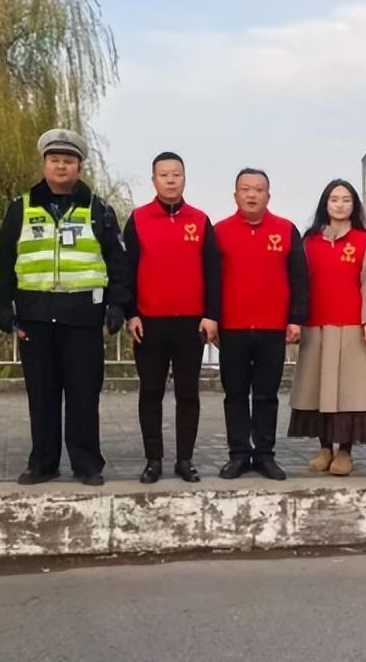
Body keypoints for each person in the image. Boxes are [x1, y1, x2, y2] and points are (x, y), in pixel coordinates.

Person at [0, 128, 130, 487]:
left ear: (79, 167)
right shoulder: (21, 208)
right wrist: (2, 306)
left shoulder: (99, 210)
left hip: (83, 318)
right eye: (54, 160)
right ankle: (43, 463)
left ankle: (87, 464)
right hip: (35, 317)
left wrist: (118, 305)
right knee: (42, 395)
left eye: (68, 161)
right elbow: (3, 260)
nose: (61, 166)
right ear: (44, 165)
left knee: (83, 395)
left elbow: (118, 262)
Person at [123, 152, 221, 484]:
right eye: (163, 174)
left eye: (176, 174)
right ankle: (153, 460)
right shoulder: (138, 219)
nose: (170, 179)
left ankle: (185, 460)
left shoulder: (200, 220)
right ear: (154, 180)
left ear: (184, 179)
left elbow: (213, 272)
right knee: (150, 392)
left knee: (188, 394)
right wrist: (131, 313)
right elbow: (126, 270)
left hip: (190, 323)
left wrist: (211, 315)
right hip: (149, 322)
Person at [214, 168, 308, 480]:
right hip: (232, 328)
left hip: (272, 328)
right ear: (235, 195)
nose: (252, 195)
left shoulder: (286, 230)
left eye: (258, 189)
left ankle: (265, 454)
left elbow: (299, 278)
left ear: (268, 195)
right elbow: (210, 280)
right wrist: (212, 318)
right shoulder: (220, 231)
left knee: (267, 395)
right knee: (235, 394)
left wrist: (296, 319)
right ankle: (239, 454)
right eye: (246, 189)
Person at [288, 180, 366, 477]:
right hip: (315, 326)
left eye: (346, 199)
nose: (340, 205)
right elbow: (298, 282)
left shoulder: (364, 241)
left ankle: (344, 451)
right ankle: (324, 449)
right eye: (334, 199)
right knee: (317, 390)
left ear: (354, 205)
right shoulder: (309, 242)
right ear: (325, 204)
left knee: (349, 392)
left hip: (351, 327)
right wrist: (295, 318)